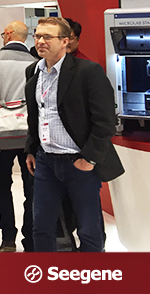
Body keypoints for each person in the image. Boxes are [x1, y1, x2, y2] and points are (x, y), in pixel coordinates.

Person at [25, 17, 124, 252]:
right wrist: (31, 148)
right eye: (37, 36)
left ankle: (88, 271)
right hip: (46, 161)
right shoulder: (33, 72)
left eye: (47, 37)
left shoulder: (87, 72)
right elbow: (36, 115)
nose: (40, 41)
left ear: (65, 42)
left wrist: (89, 159)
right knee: (41, 226)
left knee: (88, 229)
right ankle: (46, 272)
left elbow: (105, 121)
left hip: (78, 161)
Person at [0, 21, 36, 252]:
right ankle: (30, 239)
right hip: (28, 132)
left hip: (2, 132)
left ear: (9, 34)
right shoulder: (35, 61)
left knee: (2, 184)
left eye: (4, 33)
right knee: (31, 186)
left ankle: (8, 238)